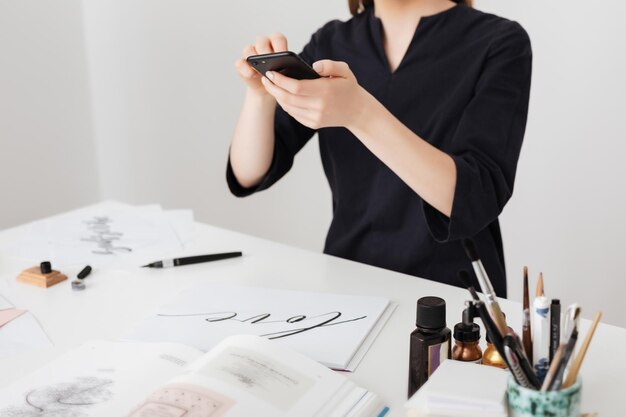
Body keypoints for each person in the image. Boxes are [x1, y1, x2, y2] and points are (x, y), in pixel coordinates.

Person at [227, 0, 532, 297]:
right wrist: (260, 96)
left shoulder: (499, 42)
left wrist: (359, 112)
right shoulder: (332, 42)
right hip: (348, 285)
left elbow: (476, 198)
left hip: (453, 297)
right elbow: (249, 174)